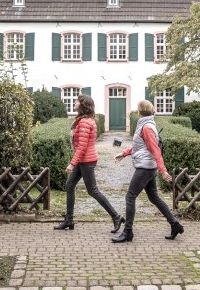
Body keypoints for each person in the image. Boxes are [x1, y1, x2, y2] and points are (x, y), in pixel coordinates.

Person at [112, 99, 184, 243]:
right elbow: (140, 146)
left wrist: (163, 171)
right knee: (154, 198)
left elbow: (155, 150)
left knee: (130, 197)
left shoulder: (146, 127)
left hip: (145, 167)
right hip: (148, 166)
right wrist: (124, 153)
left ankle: (128, 232)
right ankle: (175, 224)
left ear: (139, 112)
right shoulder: (145, 125)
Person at [54, 94, 125, 233]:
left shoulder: (85, 122)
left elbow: (82, 146)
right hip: (83, 160)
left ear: (83, 105)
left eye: (77, 101)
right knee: (69, 186)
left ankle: (116, 217)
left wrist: (72, 163)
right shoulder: (82, 120)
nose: (74, 102)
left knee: (92, 190)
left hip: (86, 160)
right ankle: (69, 220)